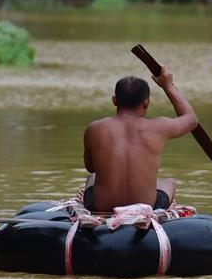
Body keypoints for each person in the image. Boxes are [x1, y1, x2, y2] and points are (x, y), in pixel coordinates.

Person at [81, 68, 198, 212]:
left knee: (92, 177)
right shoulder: (159, 127)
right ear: (146, 103)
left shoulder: (95, 128)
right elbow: (191, 120)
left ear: (114, 101)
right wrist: (167, 86)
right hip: (145, 207)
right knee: (169, 183)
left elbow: (90, 168)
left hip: (100, 207)